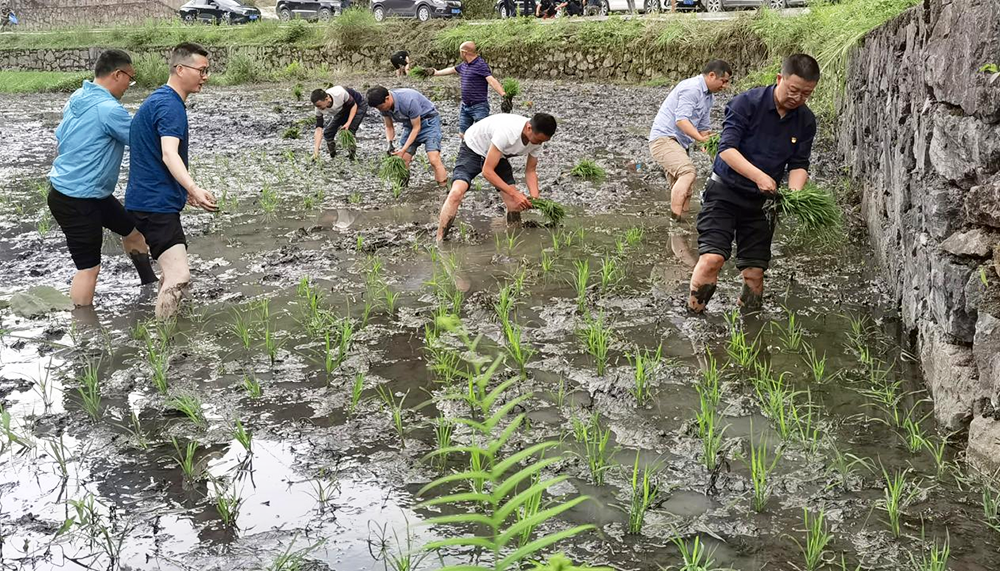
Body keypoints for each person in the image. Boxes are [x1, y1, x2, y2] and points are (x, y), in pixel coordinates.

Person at [688, 54, 819, 313]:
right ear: (779, 78)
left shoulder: (805, 120)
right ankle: (694, 317)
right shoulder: (746, 103)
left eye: (806, 94)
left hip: (762, 204)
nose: (798, 98)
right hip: (724, 192)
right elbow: (726, 149)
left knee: (755, 273)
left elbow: (799, 164)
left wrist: (794, 195)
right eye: (793, 90)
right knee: (712, 259)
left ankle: (749, 327)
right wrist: (759, 176)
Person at [46, 49, 157, 308]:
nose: (130, 84)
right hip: (76, 199)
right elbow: (141, 142)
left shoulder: (79, 96)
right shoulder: (109, 109)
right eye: (130, 78)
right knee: (89, 268)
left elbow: (61, 136)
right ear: (117, 74)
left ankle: (149, 285)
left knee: (134, 232)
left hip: (91, 193)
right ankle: (84, 331)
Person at [125, 43, 217, 320]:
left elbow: (153, 155)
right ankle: (163, 343)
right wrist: (193, 188)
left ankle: (172, 330)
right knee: (179, 276)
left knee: (170, 271)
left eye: (207, 71)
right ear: (180, 69)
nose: (205, 76)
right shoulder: (170, 106)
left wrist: (182, 190)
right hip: (156, 206)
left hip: (145, 201)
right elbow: (168, 153)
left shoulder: (158, 100)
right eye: (201, 70)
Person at [435, 113, 557, 242]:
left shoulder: (538, 141)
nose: (539, 144)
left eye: (543, 141)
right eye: (538, 140)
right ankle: (440, 241)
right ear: (529, 128)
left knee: (514, 204)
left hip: (499, 154)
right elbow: (487, 172)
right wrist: (515, 193)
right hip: (473, 148)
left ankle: (515, 240)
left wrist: (535, 197)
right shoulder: (507, 132)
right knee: (456, 193)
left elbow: (530, 171)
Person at [649, 59, 732, 219]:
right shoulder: (692, 88)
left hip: (679, 144)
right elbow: (681, 120)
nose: (725, 86)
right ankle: (675, 224)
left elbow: (704, 131)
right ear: (712, 75)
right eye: (723, 81)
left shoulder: (708, 97)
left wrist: (715, 143)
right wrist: (700, 138)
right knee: (688, 173)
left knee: (686, 191)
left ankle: (681, 232)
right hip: (664, 139)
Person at [366, 86, 448, 187]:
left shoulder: (409, 100)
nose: (380, 110)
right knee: (403, 160)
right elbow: (389, 127)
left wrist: (403, 149)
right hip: (409, 125)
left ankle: (443, 189)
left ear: (387, 98)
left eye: (380, 107)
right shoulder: (383, 106)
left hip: (428, 123)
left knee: (434, 159)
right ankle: (403, 188)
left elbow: (416, 128)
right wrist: (390, 143)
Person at [427, 42, 505, 138]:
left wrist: (503, 94)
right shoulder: (465, 64)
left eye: (460, 52)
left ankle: (485, 152)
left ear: (464, 52)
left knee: (483, 135)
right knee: (462, 134)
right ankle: (468, 152)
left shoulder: (480, 64)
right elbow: (452, 69)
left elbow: (491, 80)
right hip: (465, 106)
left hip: (479, 106)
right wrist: (436, 72)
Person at [310, 85, 367, 161]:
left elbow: (353, 106)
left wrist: (348, 123)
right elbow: (318, 129)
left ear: (327, 99)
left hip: (358, 104)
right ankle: (333, 156)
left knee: (349, 130)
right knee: (328, 132)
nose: (318, 108)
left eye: (319, 105)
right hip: (343, 108)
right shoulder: (318, 109)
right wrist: (316, 152)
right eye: (316, 106)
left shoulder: (340, 93)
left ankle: (352, 157)